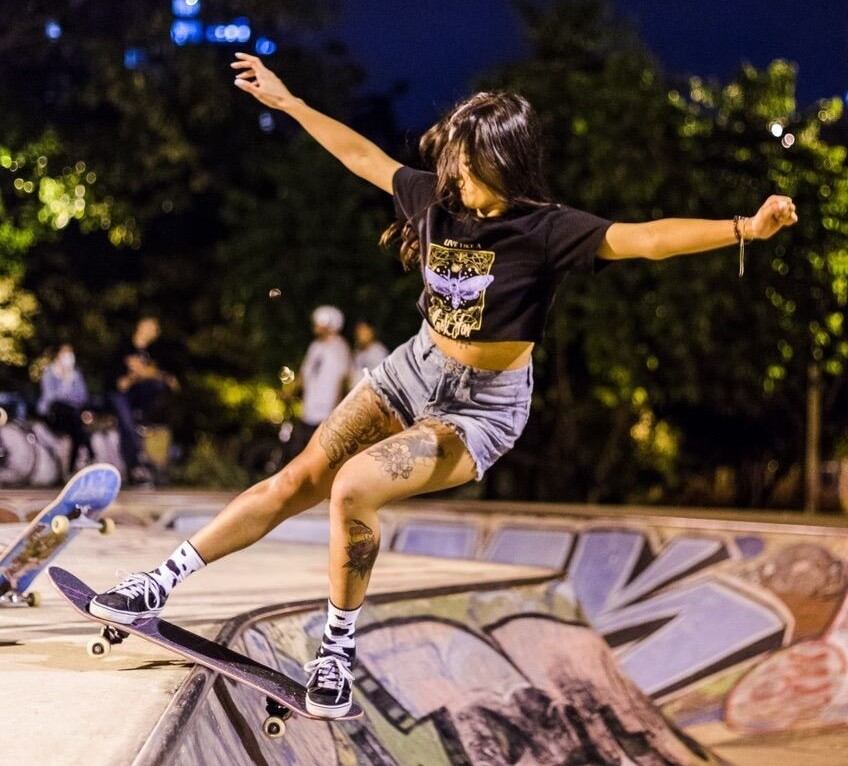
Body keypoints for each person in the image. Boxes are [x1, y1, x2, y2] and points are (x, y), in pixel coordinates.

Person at [89, 52, 798, 719]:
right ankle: (160, 580)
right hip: (412, 370)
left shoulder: (546, 231)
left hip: (482, 410)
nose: (451, 170)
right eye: (452, 158)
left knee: (354, 487)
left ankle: (335, 656)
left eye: (466, 160)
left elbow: (645, 238)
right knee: (296, 479)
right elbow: (362, 156)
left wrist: (747, 228)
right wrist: (292, 102)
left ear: (503, 162)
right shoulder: (435, 199)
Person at [109, 317, 178, 484]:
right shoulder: (124, 347)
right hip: (119, 394)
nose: (156, 333)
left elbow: (159, 376)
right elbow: (122, 383)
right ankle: (135, 464)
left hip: (140, 397)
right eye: (153, 328)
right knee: (127, 423)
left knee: (160, 387)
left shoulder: (153, 352)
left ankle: (150, 461)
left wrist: (151, 373)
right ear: (141, 327)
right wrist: (146, 372)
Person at [283, 306, 352, 460]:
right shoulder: (315, 347)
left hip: (326, 414)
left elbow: (343, 380)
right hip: (308, 411)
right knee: (298, 453)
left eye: (319, 323)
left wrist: (338, 410)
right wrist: (289, 391)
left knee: (320, 457)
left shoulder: (339, 348)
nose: (315, 327)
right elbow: (305, 373)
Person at [38, 344, 93, 476]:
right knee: (77, 426)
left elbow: (82, 397)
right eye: (65, 353)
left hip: (71, 417)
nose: (68, 357)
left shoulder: (76, 374)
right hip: (53, 414)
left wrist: (68, 388)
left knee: (76, 430)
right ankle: (91, 454)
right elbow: (50, 397)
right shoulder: (49, 373)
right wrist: (66, 383)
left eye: (70, 353)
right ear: (58, 355)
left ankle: (70, 470)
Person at [349, 320, 388, 387]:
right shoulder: (358, 352)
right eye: (358, 331)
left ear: (372, 332)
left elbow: (381, 380)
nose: (360, 335)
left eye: (364, 331)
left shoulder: (378, 352)